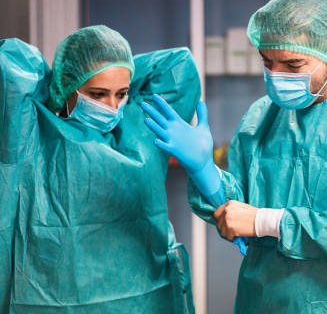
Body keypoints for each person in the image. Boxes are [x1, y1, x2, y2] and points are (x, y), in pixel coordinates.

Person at [142, 0, 327, 313]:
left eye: (293, 65)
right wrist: (204, 171)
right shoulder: (261, 116)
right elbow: (238, 215)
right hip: (262, 301)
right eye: (268, 63)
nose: (276, 76)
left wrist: (269, 222)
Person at [0, 25, 199, 313]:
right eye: (98, 93)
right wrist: (56, 84)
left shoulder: (140, 131)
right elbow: (10, 65)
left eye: (121, 93)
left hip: (142, 302)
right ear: (68, 85)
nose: (111, 106)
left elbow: (178, 66)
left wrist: (118, 66)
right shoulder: (31, 137)